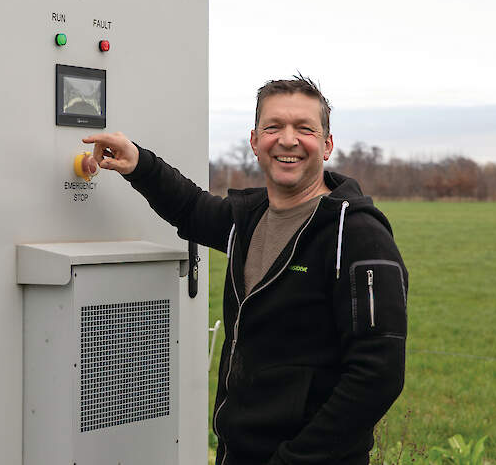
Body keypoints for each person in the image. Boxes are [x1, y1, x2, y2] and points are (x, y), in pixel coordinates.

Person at [82, 76, 408, 465]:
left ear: (327, 145)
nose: (288, 140)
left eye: (305, 128)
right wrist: (138, 162)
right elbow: (190, 207)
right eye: (274, 127)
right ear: (254, 141)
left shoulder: (356, 234)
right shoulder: (248, 220)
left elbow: (378, 375)